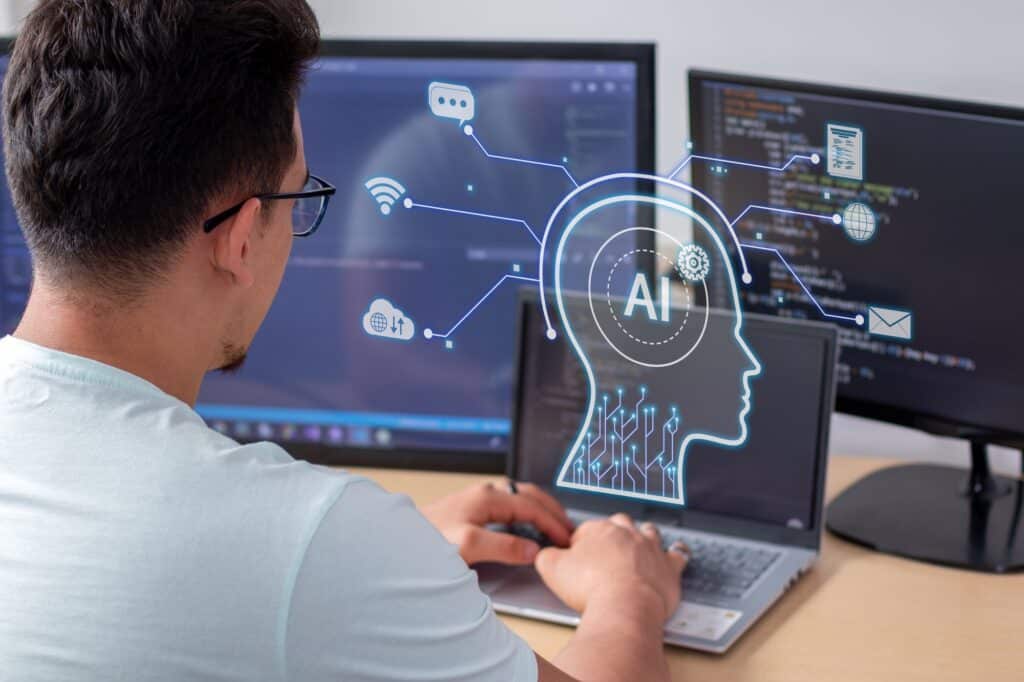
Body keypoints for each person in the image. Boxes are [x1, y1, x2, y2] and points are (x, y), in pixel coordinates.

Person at [0, 2, 689, 680]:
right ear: (240, 241)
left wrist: (382, 563)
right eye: (299, 200)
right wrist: (630, 597)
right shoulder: (306, 542)